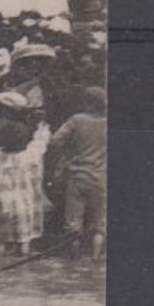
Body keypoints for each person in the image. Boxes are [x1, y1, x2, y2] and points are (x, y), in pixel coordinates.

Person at [47, 85, 107, 259]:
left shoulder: (77, 120)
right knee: (100, 223)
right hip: (102, 177)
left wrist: (72, 147)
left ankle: (73, 260)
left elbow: (55, 141)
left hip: (78, 175)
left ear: (87, 103)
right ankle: (95, 259)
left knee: (73, 223)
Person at [0, 120, 47, 257]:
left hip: (1, 203)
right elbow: (41, 145)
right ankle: (22, 271)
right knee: (24, 241)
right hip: (23, 204)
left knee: (0, 240)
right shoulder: (29, 154)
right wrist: (42, 129)